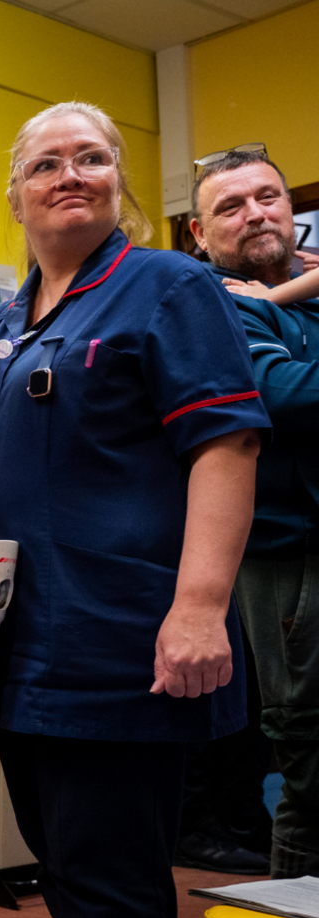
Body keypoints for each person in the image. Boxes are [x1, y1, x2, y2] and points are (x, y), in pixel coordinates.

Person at [0, 102, 266, 918]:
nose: (68, 175)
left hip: (116, 644)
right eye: (45, 164)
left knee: (114, 888)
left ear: (119, 180)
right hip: (18, 650)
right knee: (66, 876)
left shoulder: (169, 286)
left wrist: (199, 607)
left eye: (90, 158)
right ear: (15, 197)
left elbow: (226, 446)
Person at [192, 146, 319, 879]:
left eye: (267, 196)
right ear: (200, 236)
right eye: (230, 206)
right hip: (286, 557)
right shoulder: (205, 308)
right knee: (308, 756)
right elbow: (288, 397)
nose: (256, 213)